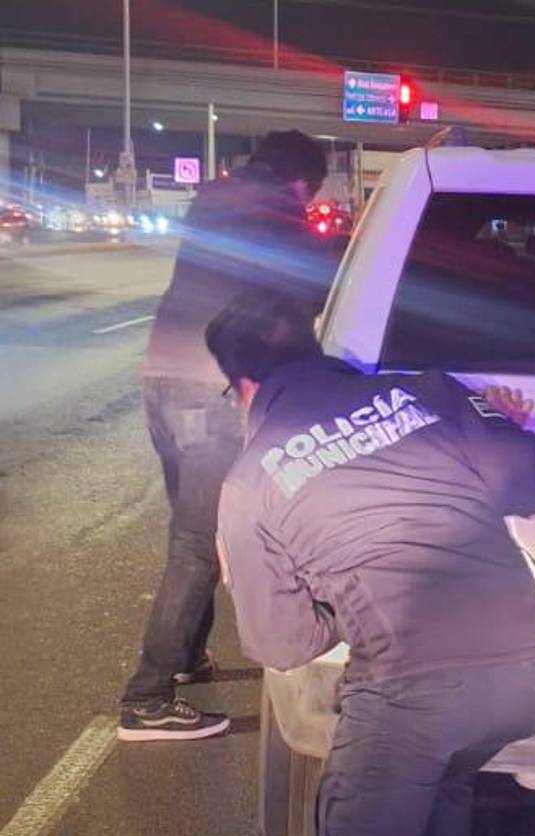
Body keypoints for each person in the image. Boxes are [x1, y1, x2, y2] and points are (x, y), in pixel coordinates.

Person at [207, 292, 535, 836]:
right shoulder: (429, 391)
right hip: (529, 677)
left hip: (414, 696)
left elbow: (280, 643)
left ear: (244, 388)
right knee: (442, 786)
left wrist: (344, 600)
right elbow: (530, 486)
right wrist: (499, 427)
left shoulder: (250, 482)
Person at [118, 130, 334, 741]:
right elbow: (307, 291)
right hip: (207, 389)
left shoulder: (215, 197)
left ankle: (184, 658)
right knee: (196, 542)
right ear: (300, 181)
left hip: (160, 375)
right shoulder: (275, 211)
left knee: (189, 529)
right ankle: (147, 696)